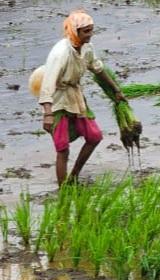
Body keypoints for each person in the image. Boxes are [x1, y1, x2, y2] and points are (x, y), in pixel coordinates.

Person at [38, 10, 126, 186]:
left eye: (91, 30)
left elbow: (98, 68)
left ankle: (74, 176)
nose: (90, 35)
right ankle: (64, 189)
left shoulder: (87, 48)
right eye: (86, 31)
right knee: (62, 149)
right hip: (58, 100)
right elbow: (47, 84)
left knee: (94, 136)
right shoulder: (61, 53)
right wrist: (47, 113)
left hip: (76, 97)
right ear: (74, 31)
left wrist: (116, 90)